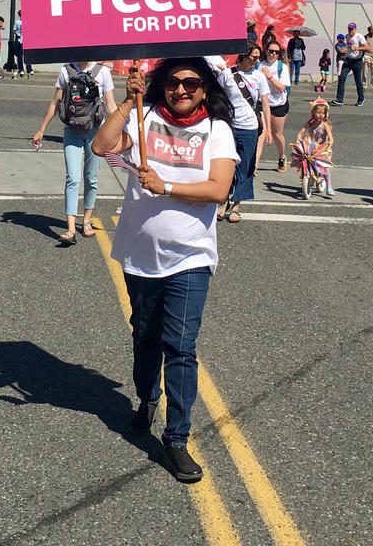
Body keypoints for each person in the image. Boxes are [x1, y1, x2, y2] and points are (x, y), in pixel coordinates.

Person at [91, 58, 237, 483]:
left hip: (190, 257)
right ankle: (146, 396)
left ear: (204, 89)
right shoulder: (146, 115)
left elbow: (218, 189)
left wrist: (167, 186)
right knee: (144, 335)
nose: (181, 89)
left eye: (191, 83)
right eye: (172, 82)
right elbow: (102, 146)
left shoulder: (217, 130)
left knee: (180, 346)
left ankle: (177, 440)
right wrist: (128, 101)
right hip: (140, 254)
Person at [32, 61, 117, 243]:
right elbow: (56, 102)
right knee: (72, 178)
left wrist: (125, 128)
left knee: (91, 177)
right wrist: (41, 130)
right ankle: (70, 228)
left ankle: (86, 220)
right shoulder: (66, 71)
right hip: (72, 130)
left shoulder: (102, 72)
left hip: (95, 131)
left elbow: (110, 105)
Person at [213, 43, 271, 223]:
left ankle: (236, 204)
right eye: (253, 56)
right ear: (243, 56)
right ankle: (222, 200)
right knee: (227, 165)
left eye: (258, 57)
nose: (256, 60)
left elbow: (265, 103)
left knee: (245, 167)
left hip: (250, 127)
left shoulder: (259, 76)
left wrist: (267, 129)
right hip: (229, 126)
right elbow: (217, 96)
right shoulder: (228, 74)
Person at [255, 41, 290, 173]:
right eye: (271, 51)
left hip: (278, 104)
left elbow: (281, 88)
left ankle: (282, 157)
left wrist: (269, 76)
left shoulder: (282, 67)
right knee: (261, 135)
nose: (273, 54)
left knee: (276, 135)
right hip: (262, 104)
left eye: (276, 52)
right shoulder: (259, 65)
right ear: (266, 50)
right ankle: (255, 165)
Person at [293, 99, 334, 196]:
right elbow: (300, 134)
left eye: (323, 113)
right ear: (313, 112)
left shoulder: (325, 125)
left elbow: (331, 140)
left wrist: (327, 147)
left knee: (325, 167)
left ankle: (329, 186)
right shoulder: (309, 123)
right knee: (307, 164)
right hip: (311, 148)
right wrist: (299, 142)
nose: (320, 115)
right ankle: (309, 184)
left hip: (323, 148)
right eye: (318, 112)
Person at [332, 22, 367, 106]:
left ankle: (361, 99)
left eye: (352, 29)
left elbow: (367, 47)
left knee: (357, 80)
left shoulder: (359, 36)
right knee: (342, 78)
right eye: (349, 29)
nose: (350, 30)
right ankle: (339, 99)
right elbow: (347, 47)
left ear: (355, 29)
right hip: (348, 60)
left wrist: (356, 48)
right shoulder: (347, 36)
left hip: (357, 61)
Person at [10, 10, 32, 79]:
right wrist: (18, 34)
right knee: (19, 55)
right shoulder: (17, 22)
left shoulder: (28, 21)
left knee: (28, 55)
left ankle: (29, 69)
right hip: (19, 40)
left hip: (26, 40)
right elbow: (14, 30)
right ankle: (21, 69)